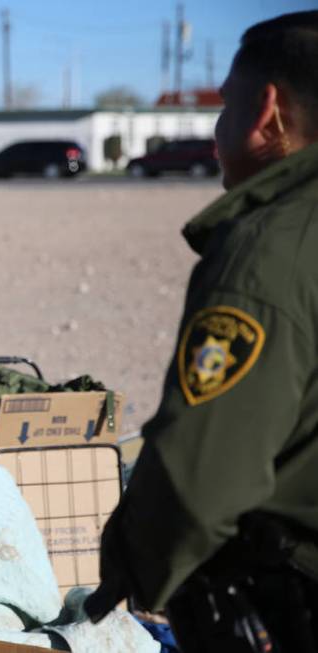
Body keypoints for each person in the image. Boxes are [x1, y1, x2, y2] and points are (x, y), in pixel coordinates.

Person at [85, 11, 318, 652]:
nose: (217, 135)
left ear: (266, 111)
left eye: (225, 108)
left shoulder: (268, 251)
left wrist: (132, 564)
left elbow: (201, 477)